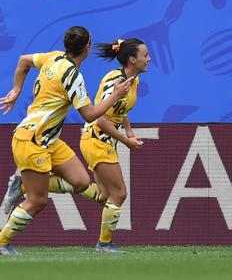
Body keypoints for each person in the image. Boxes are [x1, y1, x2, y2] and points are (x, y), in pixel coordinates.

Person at [0, 26, 133, 256]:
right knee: (37, 201)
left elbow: (23, 61)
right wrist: (115, 96)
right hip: (32, 140)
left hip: (48, 140)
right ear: (87, 48)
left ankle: (21, 184)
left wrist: (16, 90)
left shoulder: (53, 57)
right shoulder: (73, 77)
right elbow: (90, 115)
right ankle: (2, 242)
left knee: (81, 182)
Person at [78, 38, 149, 252]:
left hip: (101, 139)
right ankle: (104, 244)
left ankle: (53, 184)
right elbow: (101, 119)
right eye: (145, 55)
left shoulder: (132, 79)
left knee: (104, 196)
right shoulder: (115, 81)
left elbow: (120, 109)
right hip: (97, 139)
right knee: (119, 194)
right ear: (132, 59)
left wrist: (127, 129)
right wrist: (126, 141)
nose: (149, 59)